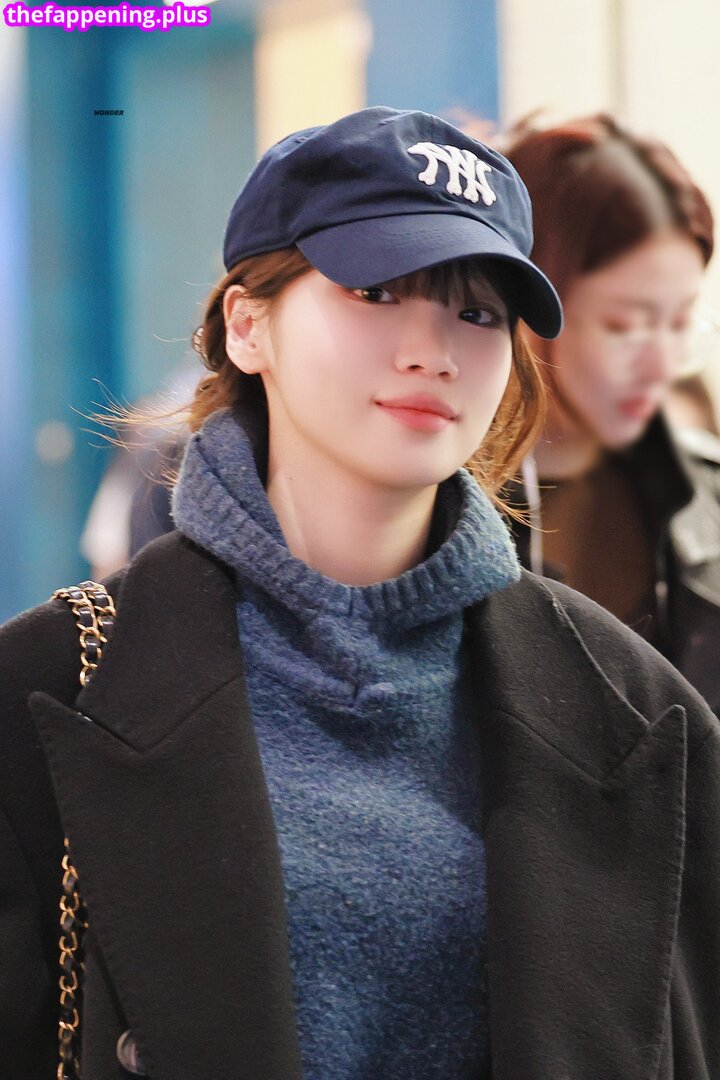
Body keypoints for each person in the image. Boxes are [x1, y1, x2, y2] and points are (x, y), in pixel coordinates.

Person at [1, 107, 718, 1080]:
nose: (432, 349)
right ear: (247, 325)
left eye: (478, 312)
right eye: (376, 291)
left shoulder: (639, 711)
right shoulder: (47, 687)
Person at [504, 113, 720, 714]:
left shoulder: (708, 499)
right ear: (526, 302)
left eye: (681, 321)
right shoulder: (422, 517)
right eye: (624, 326)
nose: (662, 362)